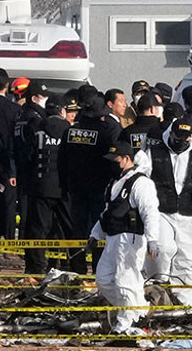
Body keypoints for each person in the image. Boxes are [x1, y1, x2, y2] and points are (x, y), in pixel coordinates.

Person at [141, 117, 192, 305]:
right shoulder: (153, 154)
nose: (181, 141)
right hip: (160, 212)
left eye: (185, 137)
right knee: (163, 248)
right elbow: (140, 179)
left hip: (188, 214)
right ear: (171, 133)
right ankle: (156, 285)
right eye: (177, 136)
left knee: (188, 258)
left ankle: (184, 303)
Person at [86, 141, 159, 333]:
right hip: (112, 237)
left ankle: (125, 323)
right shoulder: (114, 182)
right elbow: (108, 212)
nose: (111, 163)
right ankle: (138, 310)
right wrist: (95, 234)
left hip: (131, 239)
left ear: (126, 159)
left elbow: (150, 212)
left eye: (115, 160)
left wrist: (153, 239)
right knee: (104, 279)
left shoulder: (141, 183)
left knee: (126, 281)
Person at [58, 96, 117, 273]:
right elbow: (112, 162)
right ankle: (99, 267)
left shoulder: (70, 132)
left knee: (77, 229)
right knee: (98, 229)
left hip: (75, 189)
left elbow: (61, 161)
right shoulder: (106, 133)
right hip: (99, 188)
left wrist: (64, 185)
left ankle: (78, 267)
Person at [19, 82, 71, 273]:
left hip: (40, 186)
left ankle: (36, 267)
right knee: (66, 230)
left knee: (37, 229)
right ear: (62, 111)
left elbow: (28, 156)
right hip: (63, 188)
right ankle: (69, 265)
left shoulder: (37, 127)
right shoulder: (67, 129)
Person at [0, 68, 21, 242]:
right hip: (8, 164)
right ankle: (8, 242)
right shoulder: (14, 109)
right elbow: (14, 142)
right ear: (7, 86)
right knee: (8, 206)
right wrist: (13, 170)